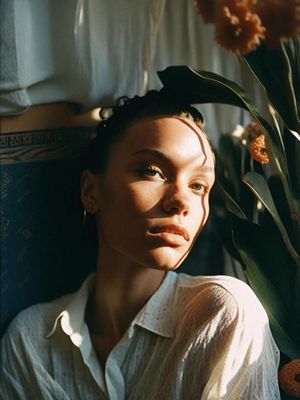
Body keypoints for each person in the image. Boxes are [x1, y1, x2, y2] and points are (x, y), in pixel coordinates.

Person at [0, 90, 280, 399]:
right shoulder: (30, 340)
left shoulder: (223, 314)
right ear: (91, 192)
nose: (180, 201)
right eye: (152, 171)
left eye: (198, 185)